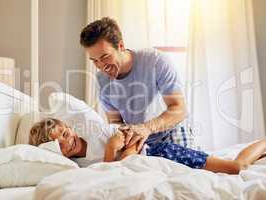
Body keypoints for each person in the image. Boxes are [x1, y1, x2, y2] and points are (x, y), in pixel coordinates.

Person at [80, 17, 194, 153]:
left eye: (105, 57)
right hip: (137, 139)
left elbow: (179, 109)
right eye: (94, 60)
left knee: (182, 170)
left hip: (171, 131)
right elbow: (115, 121)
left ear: (121, 46)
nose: (101, 66)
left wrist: (147, 128)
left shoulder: (156, 61)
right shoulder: (101, 81)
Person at [29, 118, 266, 174]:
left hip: (162, 153)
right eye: (56, 142)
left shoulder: (94, 130)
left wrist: (113, 152)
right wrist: (113, 153)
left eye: (63, 132)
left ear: (68, 126)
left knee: (236, 167)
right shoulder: (75, 166)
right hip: (154, 166)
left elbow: (130, 147)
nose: (65, 140)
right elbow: (121, 162)